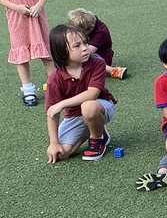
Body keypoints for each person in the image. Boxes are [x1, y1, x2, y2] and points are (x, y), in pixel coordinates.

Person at [45, 23, 116, 162]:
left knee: (88, 107)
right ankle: (93, 129)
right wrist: (53, 143)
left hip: (100, 107)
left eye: (85, 42)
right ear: (62, 51)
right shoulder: (55, 78)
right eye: (77, 46)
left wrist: (62, 104)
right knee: (60, 154)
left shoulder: (97, 63)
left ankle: (97, 139)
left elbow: (92, 94)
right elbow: (52, 112)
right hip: (74, 116)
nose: (85, 48)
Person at [67, 9, 127, 79]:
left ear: (88, 29)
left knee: (86, 54)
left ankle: (113, 70)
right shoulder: (84, 25)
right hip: (83, 55)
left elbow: (89, 51)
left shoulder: (101, 31)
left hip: (102, 58)